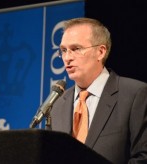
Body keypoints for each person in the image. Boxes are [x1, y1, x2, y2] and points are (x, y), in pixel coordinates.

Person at [49, 17, 147, 163]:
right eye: (63, 50)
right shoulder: (57, 106)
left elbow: (143, 157)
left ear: (100, 52)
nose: (67, 58)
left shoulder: (134, 94)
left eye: (76, 49)